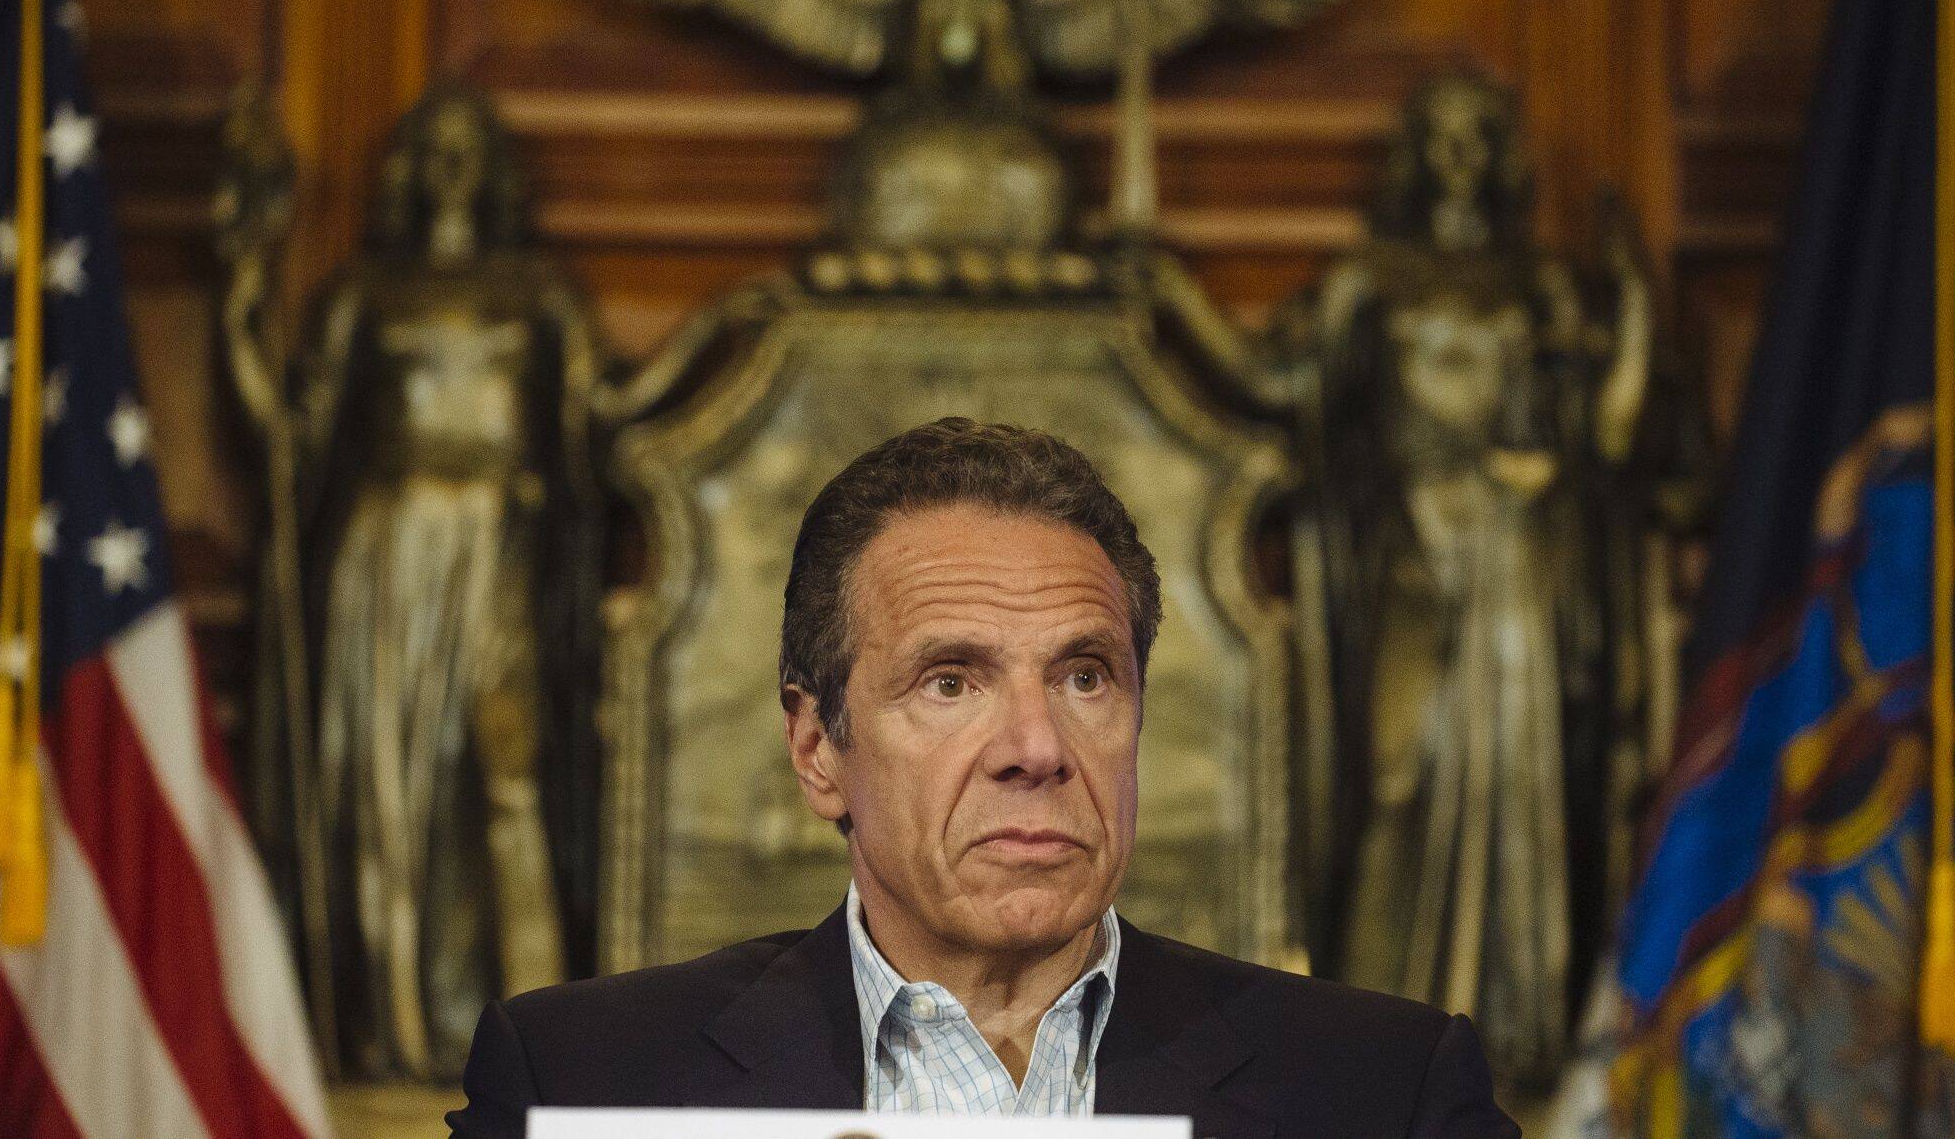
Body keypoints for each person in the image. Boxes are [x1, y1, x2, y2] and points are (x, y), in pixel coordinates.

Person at [448, 418, 1519, 1136]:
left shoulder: (1385, 1095)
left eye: (1085, 675)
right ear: (817, 745)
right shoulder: (575, 1086)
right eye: (950, 681)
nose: (1036, 745)